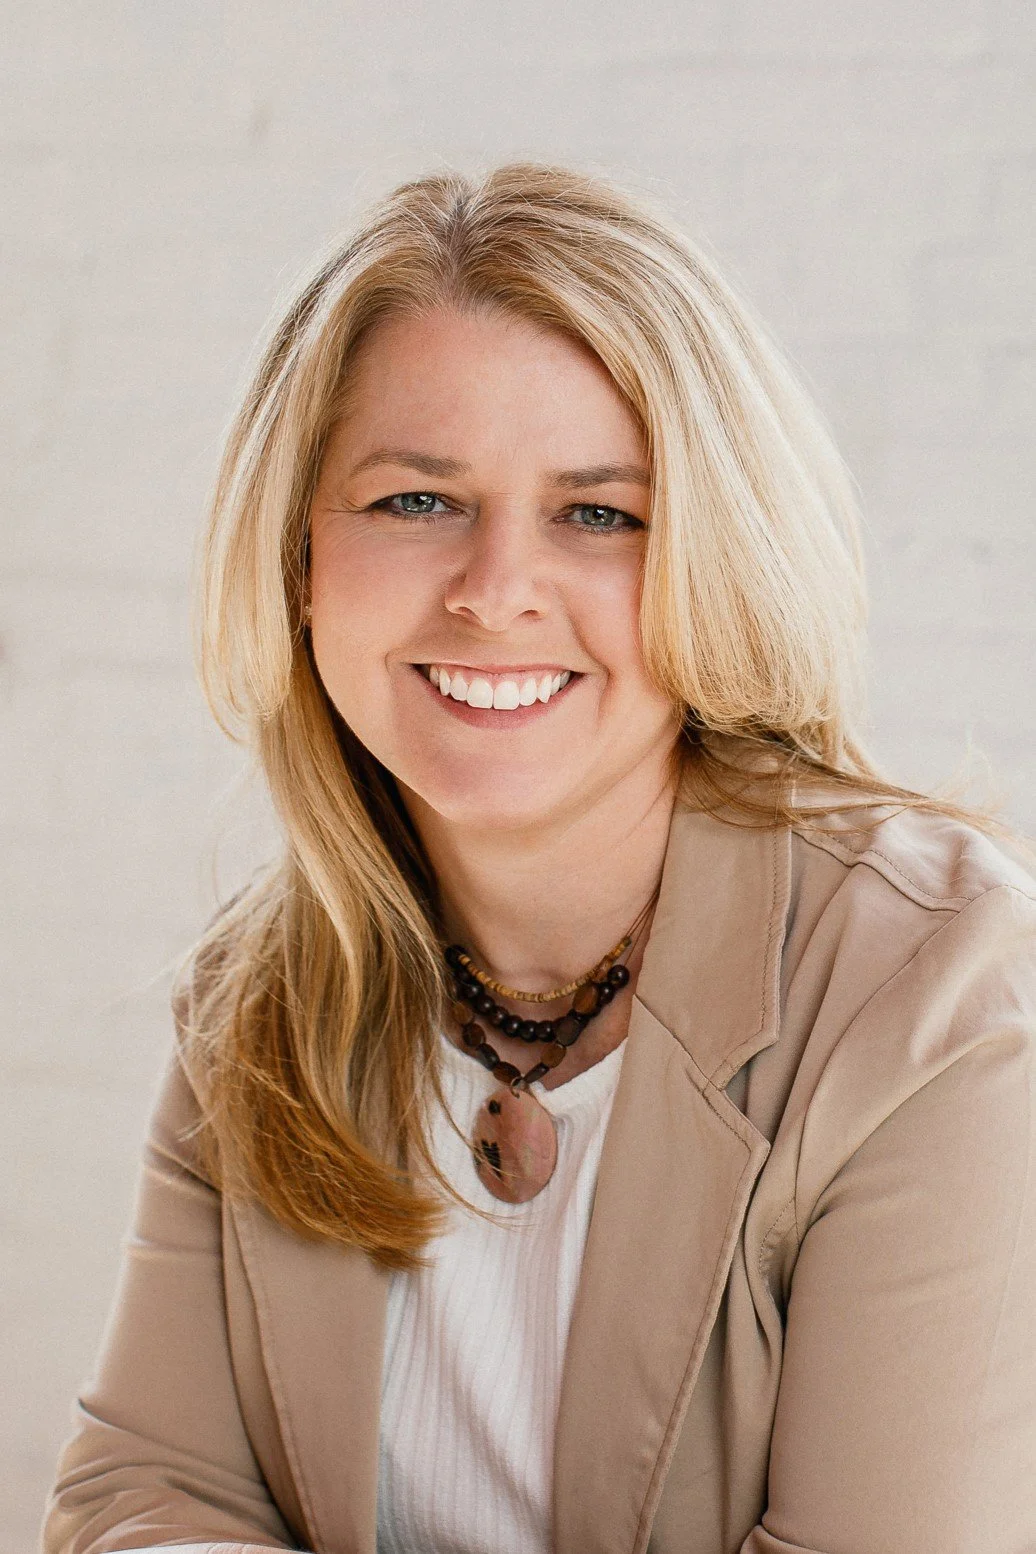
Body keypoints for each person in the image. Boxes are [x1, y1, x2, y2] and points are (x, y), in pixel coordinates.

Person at [42, 163, 1036, 1554]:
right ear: (300, 562)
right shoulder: (260, 994)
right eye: (416, 500)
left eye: (600, 513)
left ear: (718, 563)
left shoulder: (936, 995)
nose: (495, 590)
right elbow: (145, 1496)